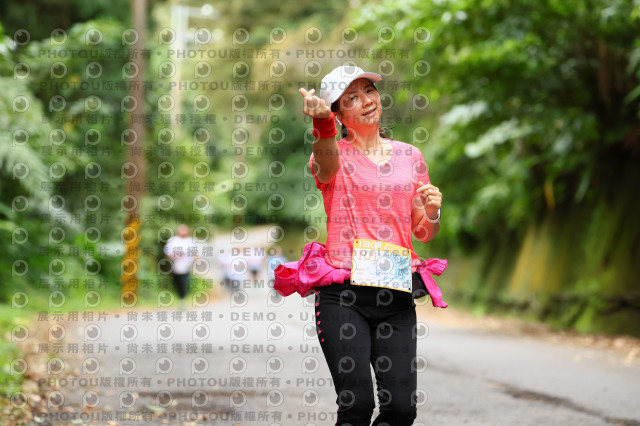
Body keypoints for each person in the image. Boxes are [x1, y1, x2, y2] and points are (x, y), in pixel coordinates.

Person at [274, 65, 448, 426]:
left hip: (396, 295)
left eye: (369, 90)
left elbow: (423, 233)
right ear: (338, 114)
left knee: (401, 410)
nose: (367, 100)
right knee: (357, 406)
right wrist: (321, 122)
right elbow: (324, 159)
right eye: (352, 97)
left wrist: (431, 212)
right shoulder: (331, 156)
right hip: (344, 297)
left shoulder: (411, 156)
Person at [163, 224, 197, 309]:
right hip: (175, 264)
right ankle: (181, 297)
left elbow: (195, 254)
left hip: (186, 265)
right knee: (177, 282)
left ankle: (183, 299)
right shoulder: (173, 240)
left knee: (183, 282)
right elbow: (167, 253)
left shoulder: (190, 241)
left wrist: (194, 262)